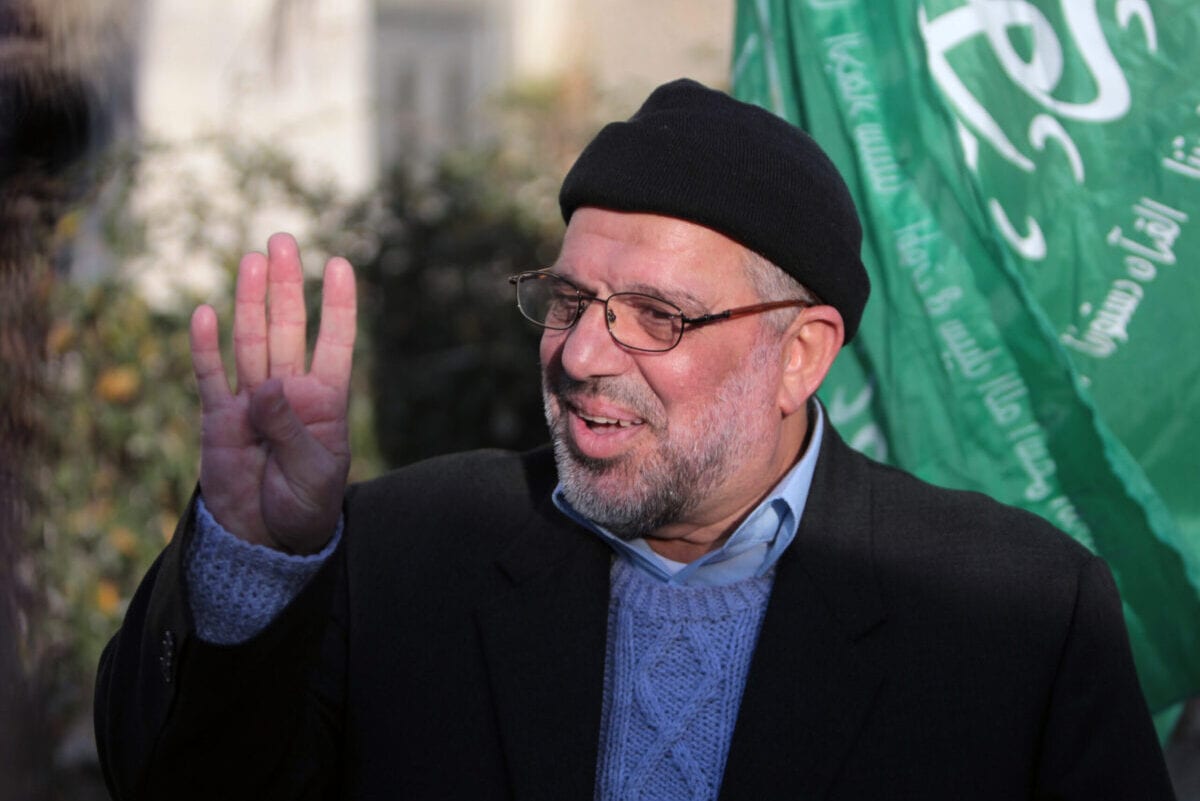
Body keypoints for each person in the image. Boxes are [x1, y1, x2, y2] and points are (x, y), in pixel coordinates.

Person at [94, 78, 1174, 801]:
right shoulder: (399, 554)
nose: (579, 357)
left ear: (801, 354)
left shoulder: (1018, 612)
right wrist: (259, 559)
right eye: (568, 301)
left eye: (659, 316)